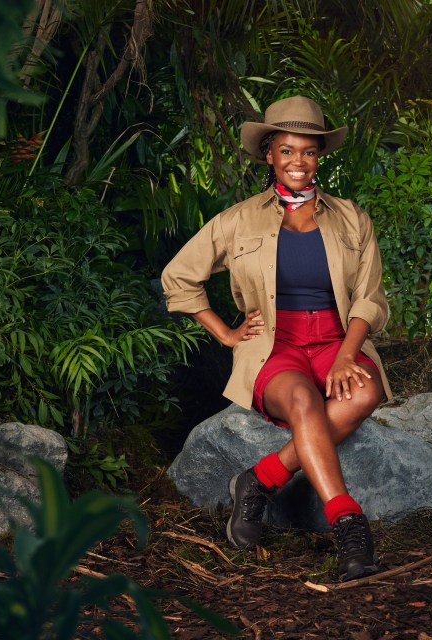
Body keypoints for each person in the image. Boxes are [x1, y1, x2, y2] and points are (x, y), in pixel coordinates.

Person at [160, 95, 392, 582]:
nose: (297, 162)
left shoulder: (352, 218)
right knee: (306, 402)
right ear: (269, 154)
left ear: (319, 156)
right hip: (275, 345)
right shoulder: (238, 220)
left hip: (336, 339)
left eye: (308, 152)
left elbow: (370, 299)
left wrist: (348, 356)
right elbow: (179, 276)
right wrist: (225, 332)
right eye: (287, 151)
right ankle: (349, 524)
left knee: (365, 391)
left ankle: (260, 478)